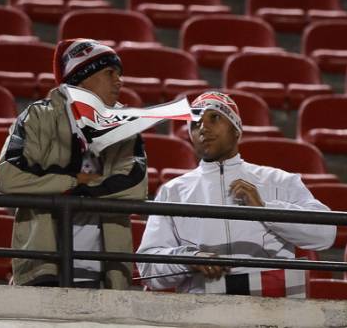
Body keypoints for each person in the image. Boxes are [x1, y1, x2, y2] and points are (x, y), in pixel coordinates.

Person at [136, 91, 336, 293]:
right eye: (195, 124)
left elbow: (326, 234)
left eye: (214, 118)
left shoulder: (280, 181)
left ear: (236, 129)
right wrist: (189, 259)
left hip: (273, 306)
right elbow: (148, 270)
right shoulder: (172, 192)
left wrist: (265, 209)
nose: (203, 128)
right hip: (204, 310)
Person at [0, 38, 148, 289]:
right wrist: (74, 181)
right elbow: (9, 176)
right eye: (110, 73)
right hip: (43, 269)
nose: (119, 81)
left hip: (107, 271)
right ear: (82, 77)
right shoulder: (37, 117)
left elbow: (135, 186)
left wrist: (66, 188)